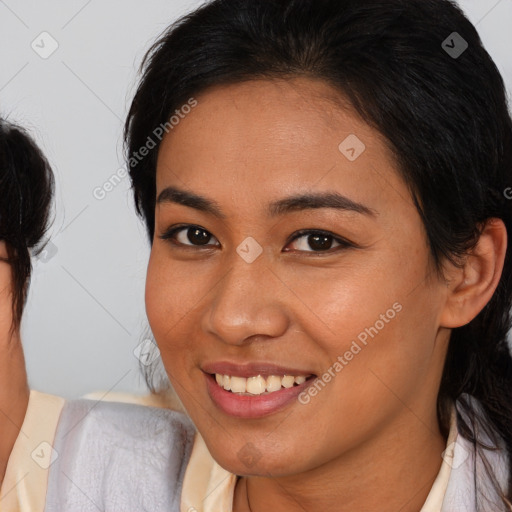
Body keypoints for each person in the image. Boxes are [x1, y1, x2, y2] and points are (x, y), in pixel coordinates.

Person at [6, 0, 512, 510]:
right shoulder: (67, 478)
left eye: (318, 240)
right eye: (195, 236)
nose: (233, 318)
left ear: (470, 272)